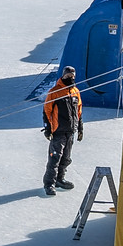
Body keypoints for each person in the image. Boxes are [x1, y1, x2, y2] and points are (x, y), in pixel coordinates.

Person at [41, 64, 83, 195]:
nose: (70, 78)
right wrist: (48, 128)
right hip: (58, 130)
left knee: (66, 158)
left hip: (70, 130)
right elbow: (47, 110)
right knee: (55, 158)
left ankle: (60, 179)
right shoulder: (55, 91)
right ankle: (49, 184)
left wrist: (80, 127)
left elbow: (79, 111)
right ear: (63, 75)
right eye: (67, 75)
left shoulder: (75, 91)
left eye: (72, 76)